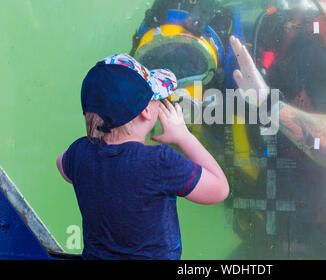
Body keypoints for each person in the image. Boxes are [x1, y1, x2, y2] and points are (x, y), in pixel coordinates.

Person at [130, 0, 326, 259]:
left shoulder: (288, 56)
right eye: (160, 65)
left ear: (212, 46)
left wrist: (268, 104)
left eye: (189, 60)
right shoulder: (167, 103)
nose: (179, 81)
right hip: (268, 238)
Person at [56, 53, 229, 259]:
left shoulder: (80, 153)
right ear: (147, 111)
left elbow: (61, 164)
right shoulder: (160, 162)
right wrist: (184, 137)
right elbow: (219, 189)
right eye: (158, 99)